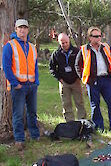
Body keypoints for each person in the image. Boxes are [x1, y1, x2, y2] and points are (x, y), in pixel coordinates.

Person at [2, 19, 40, 151]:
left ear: (28, 30)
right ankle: (19, 139)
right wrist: (14, 83)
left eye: (24, 28)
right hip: (18, 86)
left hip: (31, 86)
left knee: (32, 112)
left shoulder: (32, 47)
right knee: (18, 114)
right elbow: (6, 67)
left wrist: (36, 82)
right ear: (16, 29)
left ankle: (35, 136)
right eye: (20, 28)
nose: (22, 30)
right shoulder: (9, 46)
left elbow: (35, 66)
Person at [75, 26, 111, 134]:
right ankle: (99, 127)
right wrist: (84, 78)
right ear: (90, 37)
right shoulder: (84, 49)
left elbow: (110, 60)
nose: (98, 38)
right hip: (93, 81)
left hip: (106, 79)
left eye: (100, 36)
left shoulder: (105, 47)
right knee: (95, 105)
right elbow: (77, 65)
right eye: (96, 36)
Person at [49, 33, 86, 122]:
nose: (65, 44)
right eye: (62, 43)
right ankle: (70, 122)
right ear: (59, 43)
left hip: (76, 81)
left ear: (69, 40)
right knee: (66, 103)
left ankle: (82, 121)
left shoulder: (76, 51)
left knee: (79, 102)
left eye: (66, 42)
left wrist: (79, 77)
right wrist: (59, 78)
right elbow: (52, 68)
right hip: (64, 82)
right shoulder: (56, 54)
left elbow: (83, 64)